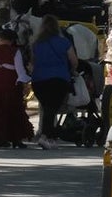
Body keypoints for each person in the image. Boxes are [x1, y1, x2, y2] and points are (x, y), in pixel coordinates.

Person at [29, 13, 77, 150]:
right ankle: (46, 136)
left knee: (47, 107)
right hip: (59, 79)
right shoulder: (64, 42)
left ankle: (48, 135)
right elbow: (74, 61)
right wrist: (72, 70)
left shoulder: (35, 44)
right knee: (51, 108)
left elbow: (33, 62)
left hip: (39, 80)